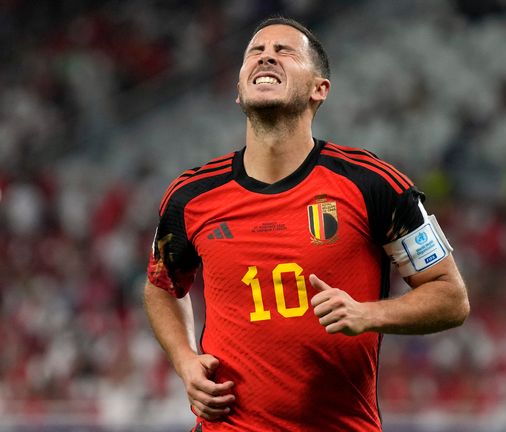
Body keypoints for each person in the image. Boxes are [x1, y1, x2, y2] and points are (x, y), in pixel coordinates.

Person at [143, 16, 469, 432]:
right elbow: (161, 287)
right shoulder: (190, 196)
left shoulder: (375, 185)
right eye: (255, 53)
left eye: (284, 52)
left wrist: (368, 314)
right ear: (239, 92)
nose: (266, 58)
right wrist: (184, 358)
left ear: (320, 89)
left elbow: (452, 298)